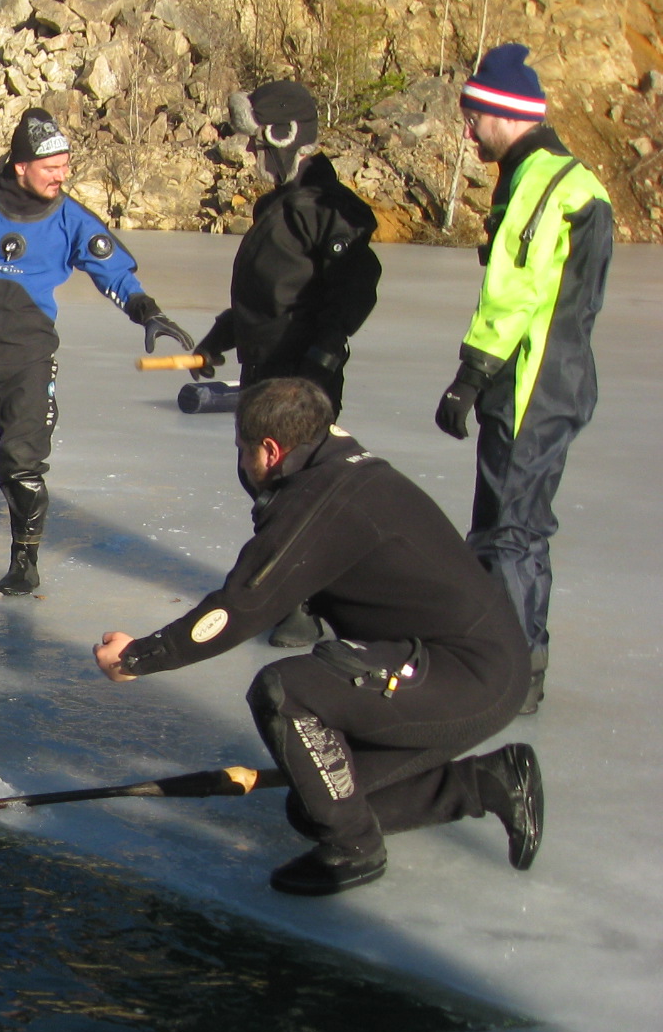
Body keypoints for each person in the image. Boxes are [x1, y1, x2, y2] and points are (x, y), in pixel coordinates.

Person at [93, 378, 539, 897]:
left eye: (243, 449)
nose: (241, 462)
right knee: (319, 803)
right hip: (470, 668)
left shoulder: (321, 501)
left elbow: (240, 608)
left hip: (464, 676)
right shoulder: (340, 463)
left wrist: (139, 657)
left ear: (271, 449)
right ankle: (491, 782)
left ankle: (355, 851)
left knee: (286, 692)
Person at [0, 109, 191, 596]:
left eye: (66, 166)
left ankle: (25, 561)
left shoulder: (70, 218)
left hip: (28, 360)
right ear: (22, 165)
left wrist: (146, 311)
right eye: (53, 167)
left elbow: (113, 270)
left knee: (21, 466)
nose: (62, 176)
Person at [436, 43, 613, 714]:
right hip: (563, 377)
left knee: (509, 528)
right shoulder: (573, 180)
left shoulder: (541, 182)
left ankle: (509, 672)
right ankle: (518, 662)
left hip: (533, 381)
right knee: (522, 525)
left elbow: (516, 290)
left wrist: (470, 376)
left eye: (472, 116)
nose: (467, 131)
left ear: (503, 114)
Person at [192, 78, 383, 649]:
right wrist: (221, 335)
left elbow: (355, 287)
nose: (251, 152)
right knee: (264, 478)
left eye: (257, 141)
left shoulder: (326, 210)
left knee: (292, 484)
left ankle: (304, 602)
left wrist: (323, 355)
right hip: (264, 369)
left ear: (283, 135)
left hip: (300, 377)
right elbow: (267, 294)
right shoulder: (279, 207)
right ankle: (294, 591)